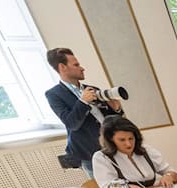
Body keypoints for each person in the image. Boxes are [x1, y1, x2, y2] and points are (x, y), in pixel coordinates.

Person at [45, 48, 124, 178]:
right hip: (89, 153)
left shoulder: (93, 90)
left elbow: (113, 119)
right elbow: (71, 124)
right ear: (62, 67)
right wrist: (83, 101)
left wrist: (116, 108)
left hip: (113, 147)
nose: (82, 68)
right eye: (76, 65)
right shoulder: (54, 94)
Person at [92, 117, 177, 188]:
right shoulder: (102, 157)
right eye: (122, 140)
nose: (129, 144)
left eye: (131, 138)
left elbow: (172, 172)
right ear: (110, 140)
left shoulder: (146, 150)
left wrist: (168, 176)